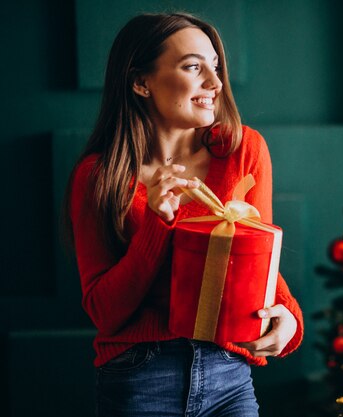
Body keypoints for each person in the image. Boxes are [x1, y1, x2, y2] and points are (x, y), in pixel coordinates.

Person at [63, 13, 303, 417]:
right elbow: (104, 311)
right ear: (141, 82)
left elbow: (259, 264)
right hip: (140, 379)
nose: (215, 82)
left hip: (230, 376)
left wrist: (289, 319)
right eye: (194, 66)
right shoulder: (99, 177)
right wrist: (157, 223)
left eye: (216, 66)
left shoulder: (244, 151)